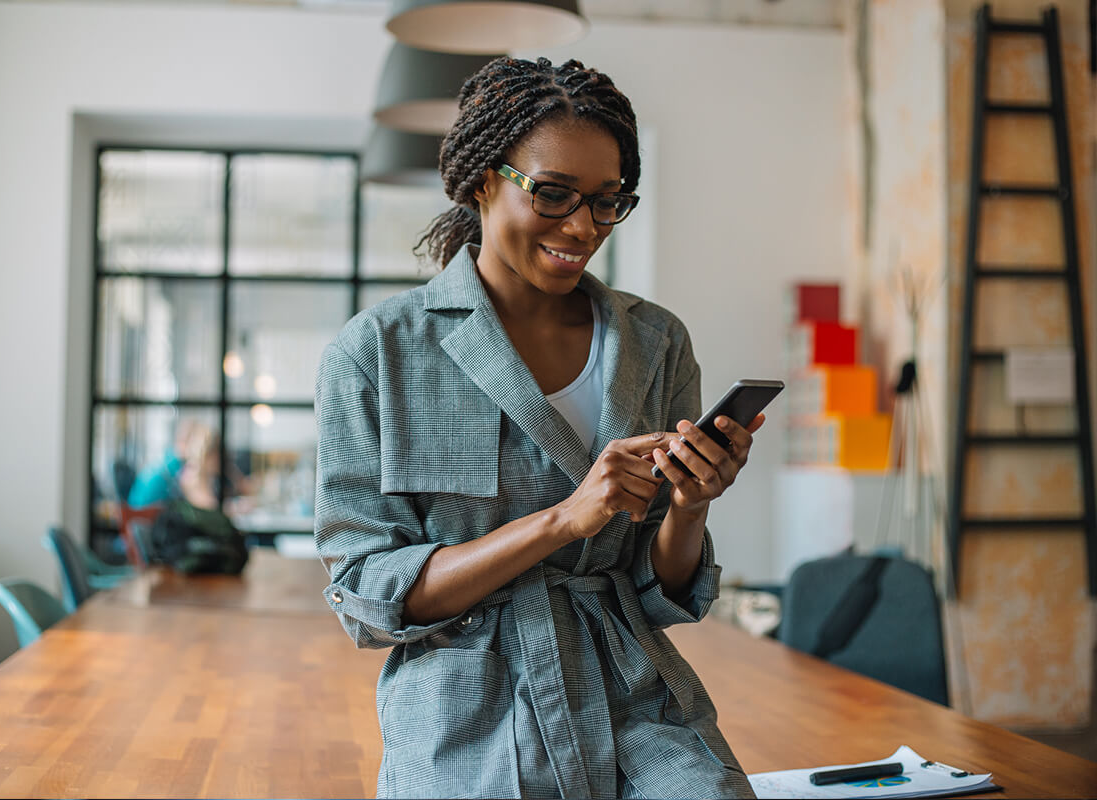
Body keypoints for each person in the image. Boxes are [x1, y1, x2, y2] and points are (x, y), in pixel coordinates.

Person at [315, 56, 763, 799]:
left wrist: (691, 504)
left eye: (607, 201)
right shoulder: (379, 353)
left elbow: (658, 595)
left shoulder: (656, 343)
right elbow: (366, 593)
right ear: (481, 180)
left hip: (637, 704)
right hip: (467, 716)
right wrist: (559, 521)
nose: (582, 226)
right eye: (553, 194)